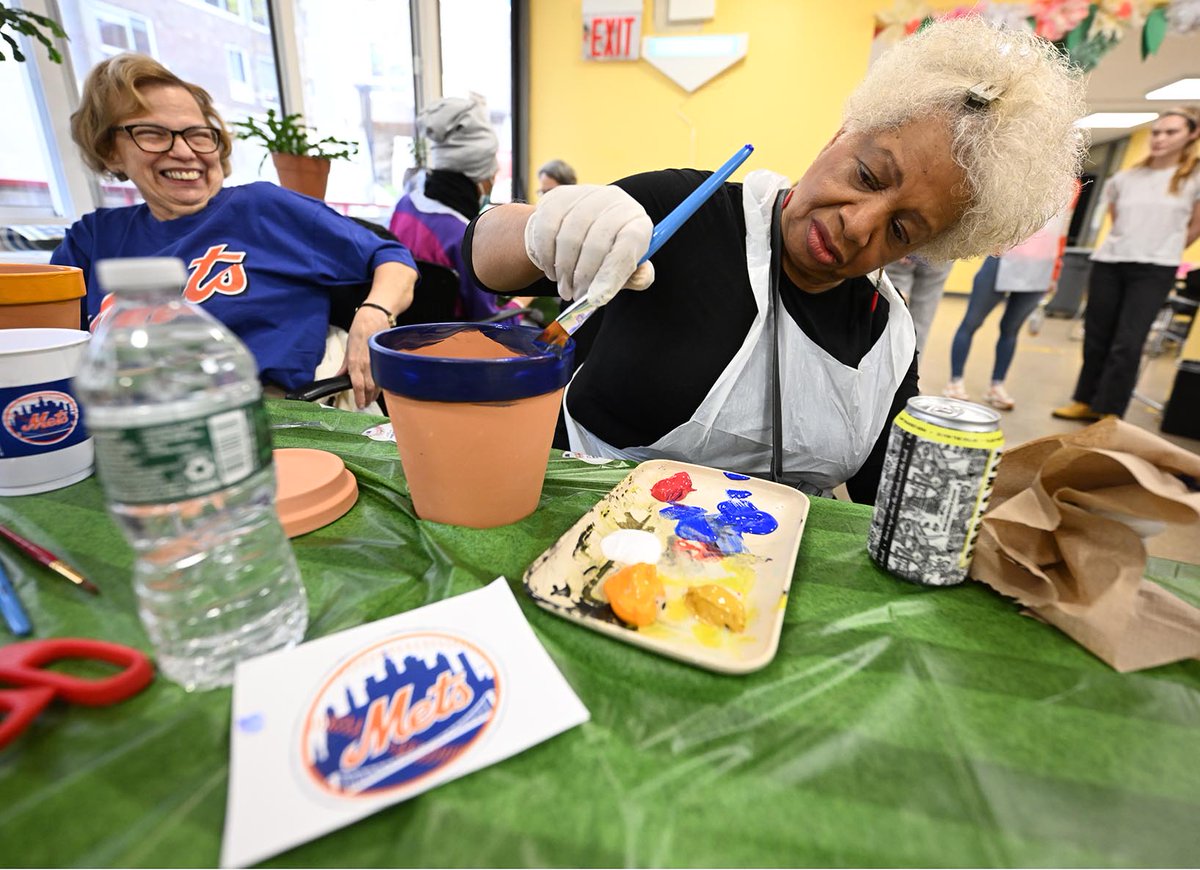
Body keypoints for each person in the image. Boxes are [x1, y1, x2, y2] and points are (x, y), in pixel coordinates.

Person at [466, 17, 1086, 503]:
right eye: (867, 175)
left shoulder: (883, 340)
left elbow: (886, 499)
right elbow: (480, 260)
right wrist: (538, 229)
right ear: (841, 135)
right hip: (569, 536)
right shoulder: (680, 209)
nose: (857, 224)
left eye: (900, 229)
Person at [51, 54, 417, 411]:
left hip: (270, 415)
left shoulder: (260, 208)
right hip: (130, 420)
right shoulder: (92, 239)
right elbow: (47, 350)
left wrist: (373, 314)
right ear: (110, 151)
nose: (183, 151)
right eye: (153, 133)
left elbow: (392, 258)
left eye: (198, 134)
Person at [1053, 107, 1200, 421]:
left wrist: (1164, 248)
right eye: (1157, 132)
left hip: (1154, 268)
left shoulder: (1194, 178)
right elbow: (1117, 219)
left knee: (1128, 342)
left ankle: (1109, 412)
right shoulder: (1126, 177)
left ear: (1191, 135)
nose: (1160, 138)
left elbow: (1194, 225)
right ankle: (1085, 400)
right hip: (1110, 262)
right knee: (1096, 336)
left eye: (1171, 132)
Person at [390, 95, 530, 323]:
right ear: (477, 179)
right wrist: (524, 300)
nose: (492, 184)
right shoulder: (465, 238)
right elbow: (490, 325)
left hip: (403, 340)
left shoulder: (404, 206)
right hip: (458, 350)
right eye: (491, 177)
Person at [946, 179, 1080, 409]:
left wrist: (1055, 272)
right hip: (1003, 259)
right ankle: (954, 381)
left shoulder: (1072, 186)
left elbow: (1061, 231)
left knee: (1011, 330)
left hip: (1039, 268)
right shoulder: (1023, 170)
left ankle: (996, 386)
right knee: (971, 322)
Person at [883, 255, 955, 355]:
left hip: (905, 247)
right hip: (942, 251)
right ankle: (911, 367)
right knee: (920, 322)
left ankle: (886, 366)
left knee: (890, 316)